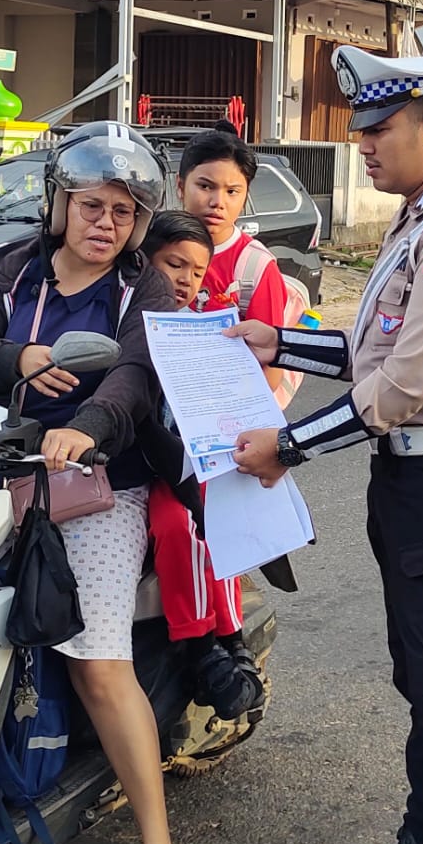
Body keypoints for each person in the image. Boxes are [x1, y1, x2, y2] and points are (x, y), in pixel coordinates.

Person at [229, 44, 423, 844]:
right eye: (360, 129)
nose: (363, 144)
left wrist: (288, 447)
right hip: (421, 481)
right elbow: (377, 348)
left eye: (379, 128)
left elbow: (405, 383)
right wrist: (278, 337)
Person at [0, 121, 180, 844]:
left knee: (97, 661)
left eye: (121, 211)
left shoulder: (137, 286)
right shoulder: (18, 269)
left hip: (101, 485)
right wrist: (21, 356)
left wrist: (83, 428)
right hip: (5, 468)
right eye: (90, 206)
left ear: (138, 222)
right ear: (61, 203)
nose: (104, 223)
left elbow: (136, 376)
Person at [145, 122, 286, 718]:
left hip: (223, 439)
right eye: (205, 186)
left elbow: (277, 367)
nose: (216, 201)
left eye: (231, 191)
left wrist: (248, 435)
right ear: (181, 186)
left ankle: (220, 642)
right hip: (148, 431)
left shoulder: (255, 269)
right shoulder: (144, 254)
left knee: (198, 523)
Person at [136, 210, 266, 720]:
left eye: (196, 270)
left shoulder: (206, 331)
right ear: (145, 263)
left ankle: (232, 640)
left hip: (198, 464)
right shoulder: (130, 327)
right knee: (176, 525)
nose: (185, 279)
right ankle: (198, 644)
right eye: (173, 264)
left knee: (219, 523)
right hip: (144, 469)